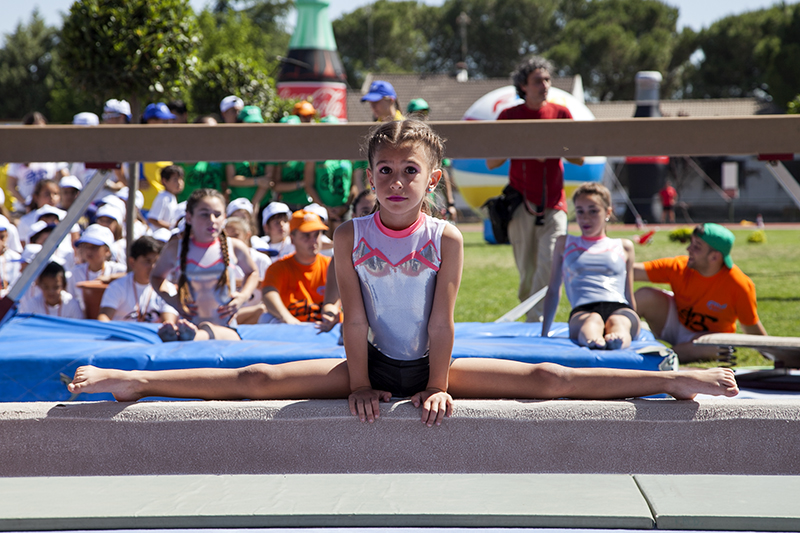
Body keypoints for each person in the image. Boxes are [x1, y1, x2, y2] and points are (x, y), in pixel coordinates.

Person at [67, 120, 739, 426]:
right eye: (383, 169)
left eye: (409, 170)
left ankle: (669, 377)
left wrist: (440, 386)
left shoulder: (444, 236)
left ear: (432, 179)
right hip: (372, 360)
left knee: (547, 378)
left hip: (429, 362)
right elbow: (353, 317)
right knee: (254, 377)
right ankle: (139, 378)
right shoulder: (348, 231)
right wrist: (361, 386)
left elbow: (442, 318)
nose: (395, 180)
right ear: (369, 176)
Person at [486, 56, 584, 323]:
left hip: (555, 204)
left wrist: (553, 149)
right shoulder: (508, 116)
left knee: (551, 264)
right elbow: (491, 162)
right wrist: (523, 146)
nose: (545, 85)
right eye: (538, 80)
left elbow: (580, 158)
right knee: (527, 272)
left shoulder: (561, 113)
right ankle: (532, 317)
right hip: (521, 206)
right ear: (523, 86)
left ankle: (537, 321)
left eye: (547, 79)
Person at [633, 223, 767, 362]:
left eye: (697, 246)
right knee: (644, 296)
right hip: (676, 322)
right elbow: (632, 271)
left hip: (708, 338)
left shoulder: (739, 284)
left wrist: (774, 353)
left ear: (714, 257)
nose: (688, 249)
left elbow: (750, 326)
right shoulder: (679, 266)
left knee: (717, 347)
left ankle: (655, 358)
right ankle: (614, 338)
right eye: (692, 243)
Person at [151, 188, 259, 342]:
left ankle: (193, 336)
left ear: (225, 217)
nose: (212, 220)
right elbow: (155, 277)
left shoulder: (234, 246)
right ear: (189, 217)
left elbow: (253, 272)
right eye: (204, 214)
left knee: (212, 331)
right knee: (197, 329)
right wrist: (173, 301)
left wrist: (243, 296)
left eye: (217, 214)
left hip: (226, 330)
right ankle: (190, 335)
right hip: (189, 324)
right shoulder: (175, 249)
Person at [541, 183, 639, 350]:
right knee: (592, 320)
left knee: (618, 321)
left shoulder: (624, 246)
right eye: (580, 211)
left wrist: (635, 325)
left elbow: (628, 293)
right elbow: (553, 290)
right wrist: (544, 333)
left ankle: (619, 339)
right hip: (584, 310)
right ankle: (594, 341)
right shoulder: (564, 243)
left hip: (619, 307)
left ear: (607, 212)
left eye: (593, 211)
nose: (586, 218)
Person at [260, 210, 331, 324]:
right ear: (292, 239)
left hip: (327, 329)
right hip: (291, 331)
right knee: (266, 318)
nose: (313, 240)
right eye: (306, 235)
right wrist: (288, 319)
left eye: (316, 234)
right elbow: (269, 293)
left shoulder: (331, 265)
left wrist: (331, 315)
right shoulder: (278, 268)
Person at [98, 236, 179, 324]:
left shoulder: (168, 288)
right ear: (132, 262)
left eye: (156, 262)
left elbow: (169, 322)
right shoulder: (117, 286)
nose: (153, 267)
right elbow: (104, 317)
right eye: (147, 261)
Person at [19, 261, 83, 319]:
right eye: (46, 287)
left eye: (56, 287)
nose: (51, 292)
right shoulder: (33, 305)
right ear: (39, 285)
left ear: (64, 286)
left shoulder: (72, 305)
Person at [147, 165, 185, 230]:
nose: (179, 183)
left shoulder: (171, 196)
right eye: (175, 179)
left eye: (181, 179)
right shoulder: (163, 198)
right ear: (164, 181)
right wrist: (172, 226)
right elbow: (152, 219)